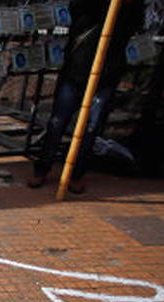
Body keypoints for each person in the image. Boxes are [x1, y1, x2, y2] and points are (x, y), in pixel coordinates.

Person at [29, 0, 145, 193]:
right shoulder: (87, 9)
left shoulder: (131, 8)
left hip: (106, 75)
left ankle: (77, 174)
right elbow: (79, 10)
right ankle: (42, 168)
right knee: (57, 123)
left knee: (92, 127)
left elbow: (135, 22)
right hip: (76, 72)